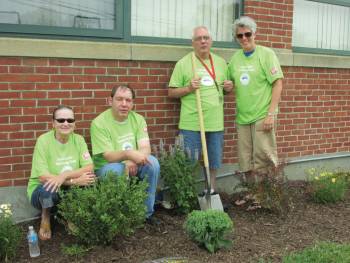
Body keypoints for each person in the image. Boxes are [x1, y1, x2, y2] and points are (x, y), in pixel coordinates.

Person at [168, 26, 233, 192]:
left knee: (213, 160)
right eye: (199, 38)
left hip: (215, 121)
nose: (203, 41)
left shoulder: (220, 63)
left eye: (206, 38)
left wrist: (228, 87)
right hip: (192, 122)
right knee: (188, 160)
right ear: (193, 43)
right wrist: (188, 88)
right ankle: (185, 194)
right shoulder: (183, 63)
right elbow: (171, 92)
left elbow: (225, 89)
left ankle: (210, 190)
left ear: (211, 41)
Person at [90, 85, 160, 224]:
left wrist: (133, 161)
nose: (124, 104)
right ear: (110, 101)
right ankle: (118, 217)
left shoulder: (138, 119)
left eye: (128, 100)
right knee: (116, 170)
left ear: (132, 103)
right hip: (107, 167)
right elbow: (108, 156)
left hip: (133, 162)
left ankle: (145, 214)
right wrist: (128, 156)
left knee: (152, 163)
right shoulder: (99, 123)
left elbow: (145, 148)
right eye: (119, 99)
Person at [228, 16, 284, 189]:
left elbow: (277, 84)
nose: (244, 38)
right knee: (245, 160)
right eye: (240, 36)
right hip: (243, 117)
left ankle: (265, 195)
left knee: (263, 159)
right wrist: (228, 86)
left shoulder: (266, 54)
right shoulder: (235, 59)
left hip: (262, 115)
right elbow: (229, 84)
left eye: (247, 34)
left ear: (254, 34)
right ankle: (252, 193)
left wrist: (270, 114)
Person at [27, 105, 95, 240]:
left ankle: (70, 216)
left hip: (65, 185)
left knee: (90, 180)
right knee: (49, 188)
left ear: (74, 124)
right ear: (53, 123)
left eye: (70, 120)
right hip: (41, 191)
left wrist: (64, 176)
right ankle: (46, 217)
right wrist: (74, 181)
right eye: (61, 120)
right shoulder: (43, 141)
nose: (65, 123)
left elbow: (89, 167)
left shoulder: (79, 140)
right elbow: (43, 177)